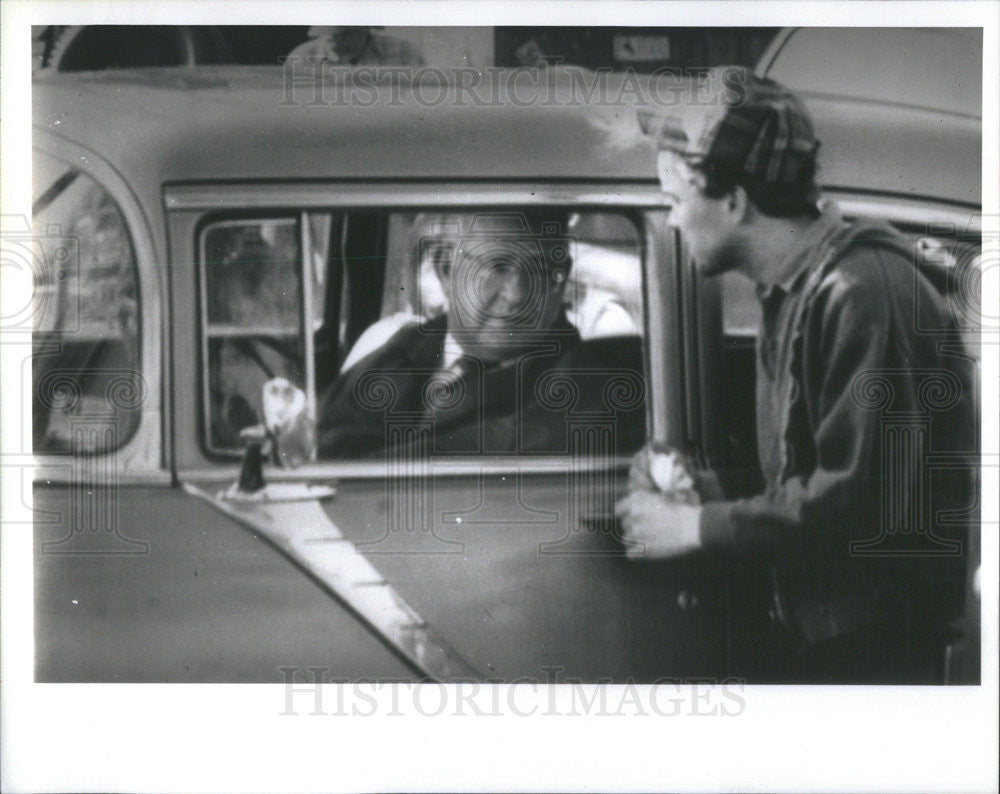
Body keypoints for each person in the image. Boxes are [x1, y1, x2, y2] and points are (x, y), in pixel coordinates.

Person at [619, 66, 976, 683]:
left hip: (875, 652)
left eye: (677, 201)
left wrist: (695, 527)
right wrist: (705, 491)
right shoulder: (801, 289)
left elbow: (857, 505)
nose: (672, 222)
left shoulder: (860, 293)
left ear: (734, 201)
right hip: (836, 636)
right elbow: (808, 474)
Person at [317, 211, 646, 458]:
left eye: (542, 271)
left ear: (562, 280)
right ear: (447, 269)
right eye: (498, 267)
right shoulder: (397, 349)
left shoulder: (585, 388)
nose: (517, 295)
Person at [287, 26, 424, 67]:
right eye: (331, 34)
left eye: (346, 33)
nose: (337, 40)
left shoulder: (403, 51)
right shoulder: (302, 56)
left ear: (366, 28)